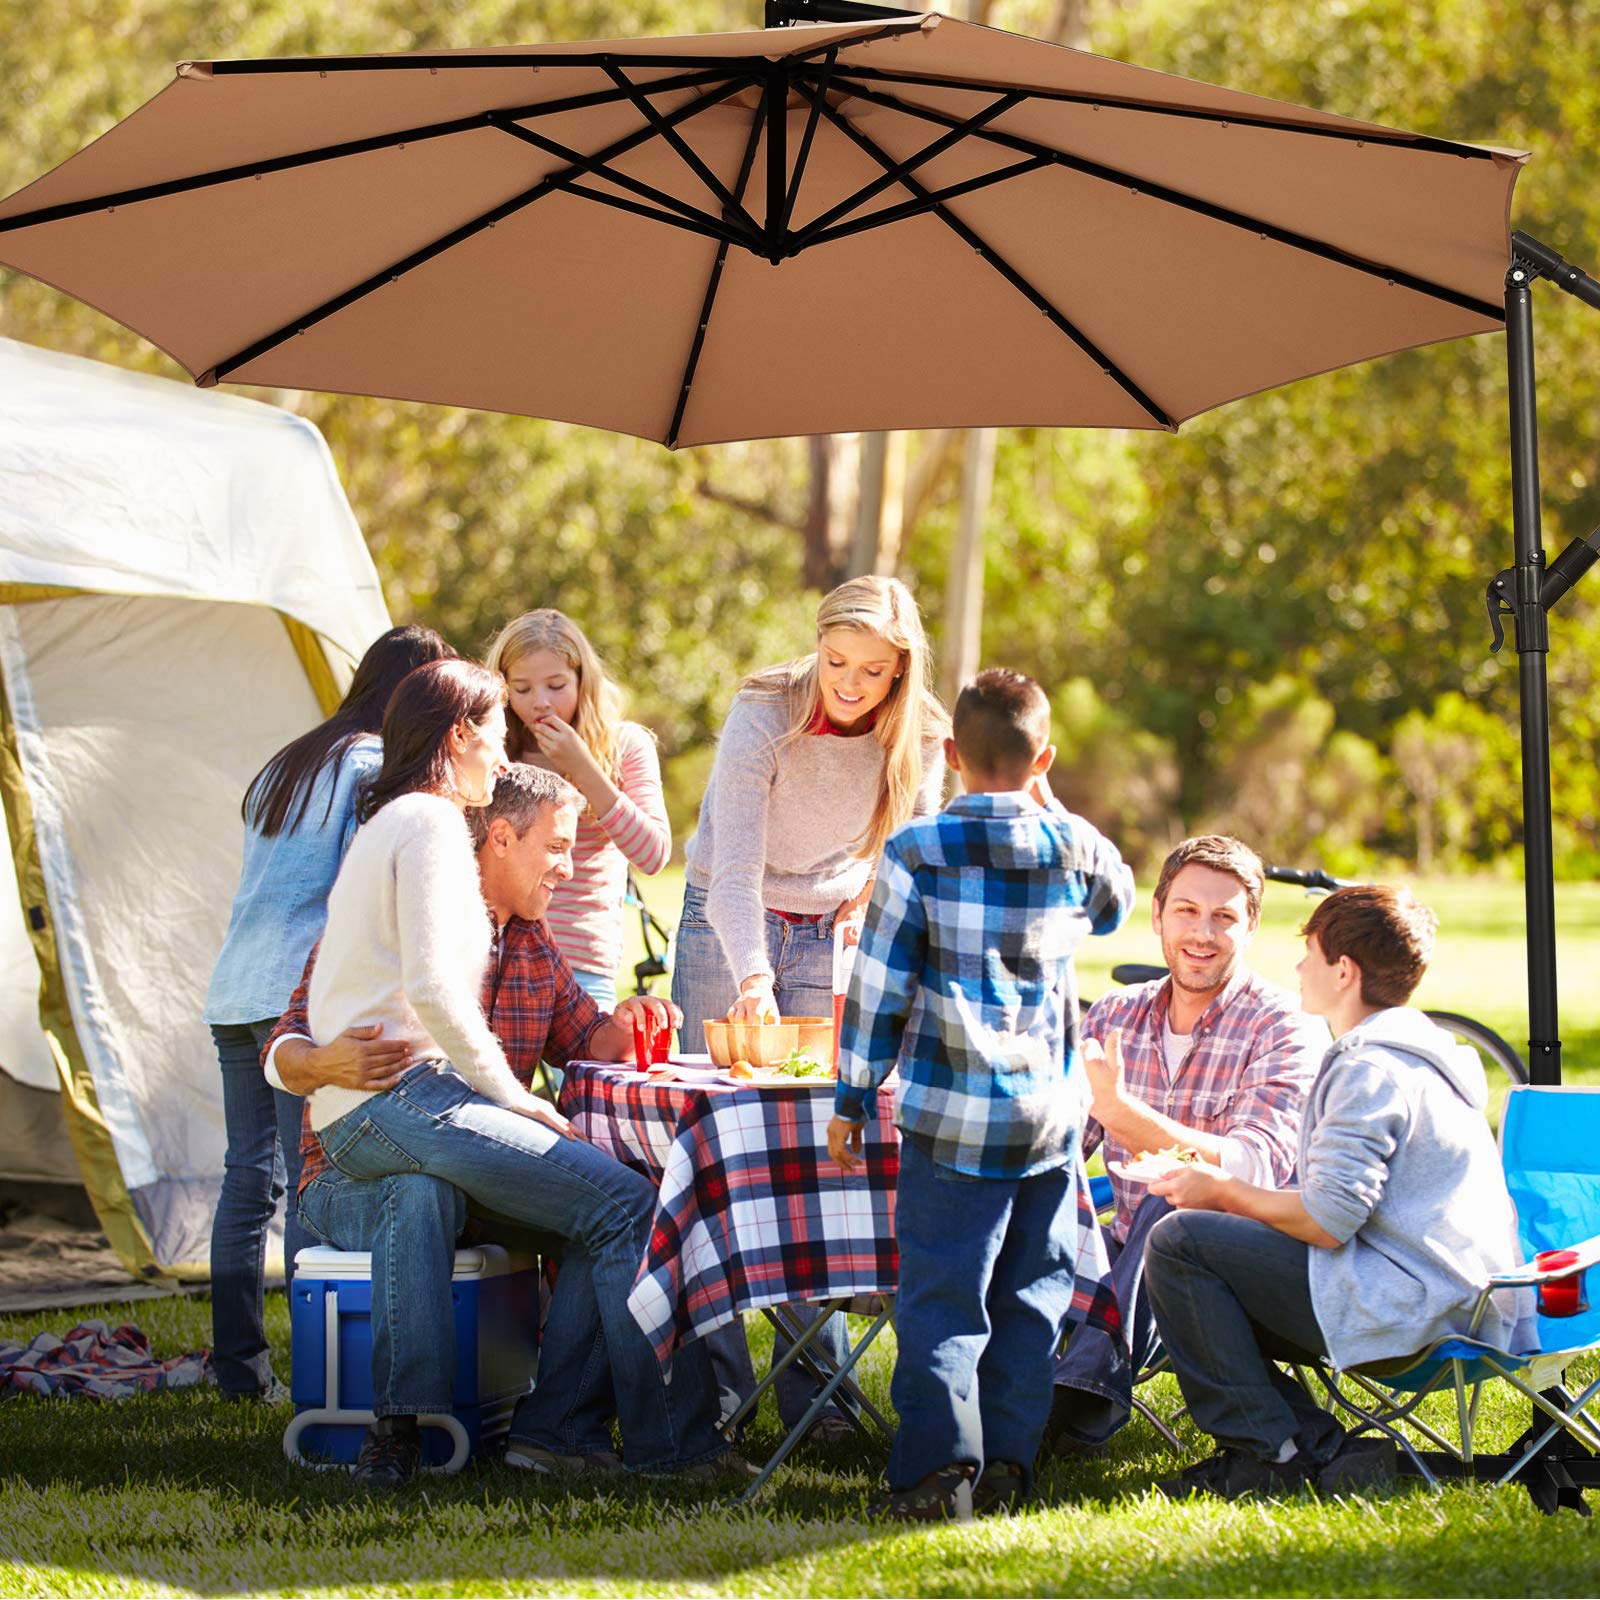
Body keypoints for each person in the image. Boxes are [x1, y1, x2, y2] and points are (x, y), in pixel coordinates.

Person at [290, 659, 735, 1483]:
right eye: (556, 848)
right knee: (624, 1204)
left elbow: (583, 1034)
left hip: (414, 1131)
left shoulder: (509, 921)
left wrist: (626, 1024)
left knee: (481, 1198)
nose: (567, 870)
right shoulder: (422, 839)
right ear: (498, 833)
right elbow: (392, 999)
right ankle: (666, 1448)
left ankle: (514, 1432)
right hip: (381, 1118)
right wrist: (506, 1099)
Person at [829, 668, 1134, 1519]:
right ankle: (1009, 1466)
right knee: (1032, 1302)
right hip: (1047, 1124)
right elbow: (1118, 904)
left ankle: (939, 1474)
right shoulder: (1072, 848)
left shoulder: (917, 850)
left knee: (940, 1301)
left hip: (950, 1123)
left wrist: (853, 1098)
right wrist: (1051, 799)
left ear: (952, 753)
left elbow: (878, 989)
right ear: (1046, 757)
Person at [1143, 884, 1536, 1500]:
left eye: (1311, 955)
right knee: (1209, 1264)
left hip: (1418, 1310)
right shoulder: (1421, 1055)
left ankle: (1270, 1453)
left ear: (1344, 971)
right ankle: (1308, 1445)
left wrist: (1221, 1189)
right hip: (1460, 1296)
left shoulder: (1369, 1070)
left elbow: (1327, 1221)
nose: (1299, 967)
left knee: (1179, 1244)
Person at [673, 574, 950, 1439]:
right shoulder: (766, 709)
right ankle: (713, 1395)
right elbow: (735, 864)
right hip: (728, 916)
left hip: (827, 920)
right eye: (837, 661)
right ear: (818, 645)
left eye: (874, 671)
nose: (851, 685)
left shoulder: (922, 735)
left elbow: (907, 859)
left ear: (902, 672)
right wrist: (751, 973)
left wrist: (866, 901)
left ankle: (814, 1395)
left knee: (809, 1149)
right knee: (714, 1139)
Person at [202, 623, 451, 1401]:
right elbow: (359, 888)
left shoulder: (290, 760)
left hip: (234, 988)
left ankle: (239, 1369)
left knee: (248, 1183)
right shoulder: (370, 763)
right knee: (314, 1178)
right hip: (296, 999)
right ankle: (323, 1373)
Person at [1042, 834, 1326, 1453]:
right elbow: (1057, 1140)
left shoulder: (1285, 1026)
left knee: (1175, 1201)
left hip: (1238, 1257)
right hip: (1121, 1254)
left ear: (1250, 927)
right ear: (1157, 917)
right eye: (1187, 912)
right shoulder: (1115, 1015)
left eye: (1224, 917)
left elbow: (1251, 1166)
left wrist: (1121, 1111)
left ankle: (1072, 1395)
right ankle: (990, 1394)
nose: (1202, 933)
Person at [486, 609, 669, 1011]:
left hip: (583, 960)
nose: (540, 703)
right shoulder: (498, 752)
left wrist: (585, 767)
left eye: (555, 686)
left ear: (583, 681)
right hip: (499, 955)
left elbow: (653, 854)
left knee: (590, 1069)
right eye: (521, 688)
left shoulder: (624, 746)